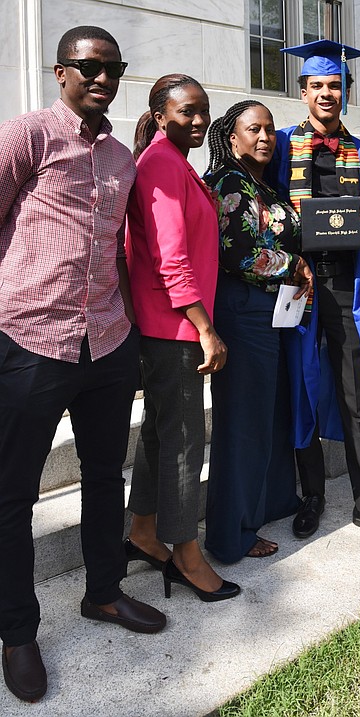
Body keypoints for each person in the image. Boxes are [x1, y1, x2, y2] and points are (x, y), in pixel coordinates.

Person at [0, 26, 166, 704]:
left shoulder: (123, 159)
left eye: (113, 67)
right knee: (12, 495)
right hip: (30, 339)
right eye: (89, 66)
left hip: (106, 340)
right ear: (61, 70)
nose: (102, 77)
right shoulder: (28, 136)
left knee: (105, 474)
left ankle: (103, 593)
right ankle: (16, 632)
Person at [268, 40, 360, 549]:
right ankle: (311, 497)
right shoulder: (280, 146)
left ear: (345, 90)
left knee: (356, 394)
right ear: (303, 91)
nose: (326, 93)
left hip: (347, 286)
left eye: (335, 84)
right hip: (296, 284)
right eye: (317, 85)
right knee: (301, 388)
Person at [124, 74, 240, 602]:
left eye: (204, 112)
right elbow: (170, 259)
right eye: (187, 112)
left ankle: (144, 531)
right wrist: (205, 328)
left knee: (159, 433)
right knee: (185, 443)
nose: (198, 121)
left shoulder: (172, 162)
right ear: (161, 112)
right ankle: (186, 555)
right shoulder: (162, 166)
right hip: (176, 328)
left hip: (171, 325)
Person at [203, 101, 312, 563]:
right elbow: (236, 253)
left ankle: (271, 502)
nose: (265, 136)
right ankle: (231, 535)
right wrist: (294, 264)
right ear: (232, 138)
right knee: (243, 423)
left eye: (270, 129)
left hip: (271, 312)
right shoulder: (230, 182)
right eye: (254, 129)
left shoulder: (261, 185)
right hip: (242, 311)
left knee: (270, 414)